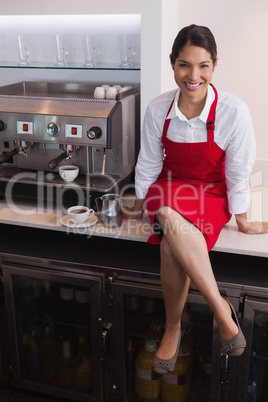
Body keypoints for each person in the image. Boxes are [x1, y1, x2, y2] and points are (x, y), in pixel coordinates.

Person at [123, 24, 268, 374]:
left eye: (203, 65)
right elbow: (148, 162)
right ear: (172, 64)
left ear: (214, 65)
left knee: (171, 246)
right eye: (184, 64)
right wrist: (141, 204)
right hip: (169, 185)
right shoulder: (159, 108)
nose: (193, 75)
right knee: (170, 214)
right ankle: (220, 308)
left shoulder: (234, 111)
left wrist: (242, 217)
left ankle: (174, 327)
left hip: (211, 190)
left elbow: (237, 171)